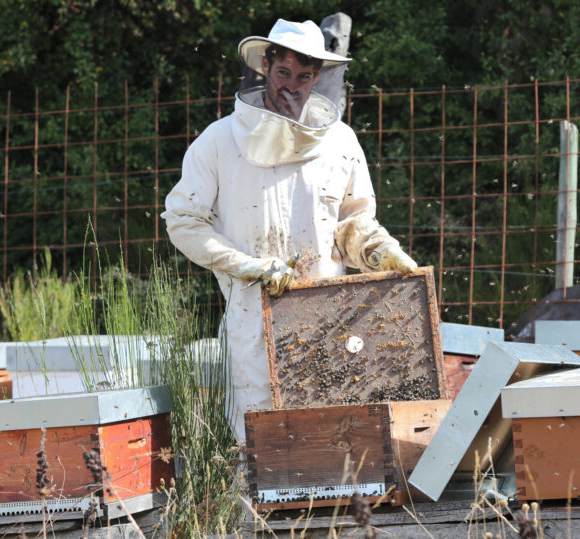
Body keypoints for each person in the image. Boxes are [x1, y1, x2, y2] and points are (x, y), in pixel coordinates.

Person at [161, 19, 418, 442]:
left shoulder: (341, 142)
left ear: (317, 77)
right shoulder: (219, 141)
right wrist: (246, 265)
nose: (292, 87)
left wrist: (379, 250)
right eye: (284, 73)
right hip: (253, 319)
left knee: (330, 447)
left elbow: (353, 223)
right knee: (259, 452)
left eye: (304, 76)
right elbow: (183, 220)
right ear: (265, 66)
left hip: (331, 319)